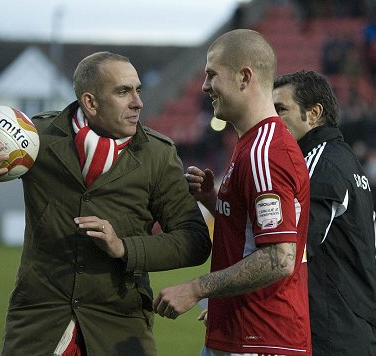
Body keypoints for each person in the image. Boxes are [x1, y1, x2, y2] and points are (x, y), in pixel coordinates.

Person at [0, 52, 212, 356]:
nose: (137, 102)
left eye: (137, 90)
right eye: (123, 91)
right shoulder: (38, 138)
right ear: (90, 102)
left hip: (119, 325)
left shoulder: (157, 154)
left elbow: (194, 240)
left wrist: (124, 248)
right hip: (38, 322)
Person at [153, 29, 312, 356]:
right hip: (244, 333)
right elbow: (253, 233)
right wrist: (216, 202)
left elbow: (278, 259)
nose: (204, 85)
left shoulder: (265, 152)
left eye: (212, 74)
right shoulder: (250, 144)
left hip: (260, 339)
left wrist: (197, 289)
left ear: (244, 77)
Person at [273, 70, 376, 356]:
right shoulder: (346, 162)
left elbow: (290, 250)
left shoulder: (320, 164)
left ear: (314, 113)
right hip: (352, 325)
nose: (272, 120)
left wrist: (242, 300)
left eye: (281, 109)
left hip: (330, 331)